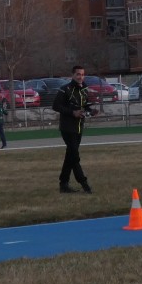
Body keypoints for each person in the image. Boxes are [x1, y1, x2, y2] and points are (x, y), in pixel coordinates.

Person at [52, 65, 95, 193]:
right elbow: (55, 106)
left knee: (70, 155)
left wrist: (90, 111)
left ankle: (63, 184)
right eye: (78, 74)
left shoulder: (84, 89)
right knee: (75, 156)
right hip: (67, 128)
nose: (80, 77)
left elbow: (84, 105)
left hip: (79, 127)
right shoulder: (65, 89)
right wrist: (72, 113)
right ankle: (84, 183)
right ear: (73, 75)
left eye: (82, 74)